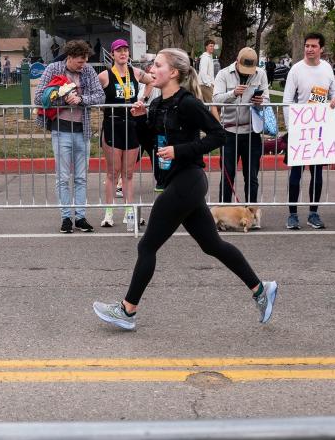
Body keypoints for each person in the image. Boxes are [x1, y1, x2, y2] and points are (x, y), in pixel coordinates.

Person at [92, 48, 278, 331]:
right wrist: (141, 119)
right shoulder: (156, 104)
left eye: (157, 65)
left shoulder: (188, 103)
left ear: (174, 73)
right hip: (175, 182)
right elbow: (150, 145)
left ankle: (127, 311)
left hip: (188, 180)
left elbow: (219, 136)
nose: (151, 70)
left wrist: (180, 150)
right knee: (212, 245)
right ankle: (261, 290)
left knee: (147, 245)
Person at [34, 39, 105, 233]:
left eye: (85, 61)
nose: (83, 65)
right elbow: (38, 97)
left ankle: (80, 217)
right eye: (80, 62)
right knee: (63, 177)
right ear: (70, 57)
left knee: (81, 177)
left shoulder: (89, 71)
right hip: (60, 130)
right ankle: (66, 217)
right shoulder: (53, 69)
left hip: (83, 131)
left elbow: (100, 96)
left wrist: (81, 99)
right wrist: (61, 97)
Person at [282, 32, 335, 230]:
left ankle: (313, 213)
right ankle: (292, 214)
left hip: (319, 131)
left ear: (321, 49)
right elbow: (287, 101)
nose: (309, 49)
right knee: (295, 175)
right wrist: (292, 128)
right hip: (299, 130)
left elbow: (334, 92)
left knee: (317, 174)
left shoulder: (327, 69)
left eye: (313, 46)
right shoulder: (296, 70)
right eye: (307, 45)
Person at [98, 39, 153, 229]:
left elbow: (151, 80)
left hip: (131, 125)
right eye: (119, 50)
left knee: (128, 173)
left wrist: (142, 99)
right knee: (113, 172)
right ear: (112, 54)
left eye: (125, 50)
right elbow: (95, 95)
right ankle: (109, 213)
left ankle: (130, 213)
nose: (123, 53)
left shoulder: (136, 73)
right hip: (112, 125)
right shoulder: (105, 76)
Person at [213, 46, 269, 207]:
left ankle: (251, 213)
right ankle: (224, 212)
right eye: (244, 68)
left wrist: (260, 102)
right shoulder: (223, 74)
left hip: (252, 131)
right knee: (227, 175)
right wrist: (233, 93)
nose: (247, 73)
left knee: (251, 175)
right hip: (229, 131)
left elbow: (266, 100)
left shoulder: (261, 74)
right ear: (237, 62)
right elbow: (215, 100)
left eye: (250, 69)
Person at [198, 39, 218, 119]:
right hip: (204, 85)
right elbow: (203, 72)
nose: (212, 47)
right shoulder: (205, 57)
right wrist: (208, 84)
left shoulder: (209, 57)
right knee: (213, 104)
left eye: (213, 46)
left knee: (205, 106)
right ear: (206, 47)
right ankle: (218, 125)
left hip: (206, 84)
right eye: (210, 46)